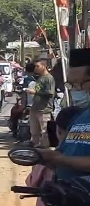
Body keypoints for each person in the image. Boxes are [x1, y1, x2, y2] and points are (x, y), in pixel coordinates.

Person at [35, 48, 90, 180]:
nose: (75, 90)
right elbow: (64, 151)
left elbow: (63, 158)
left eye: (78, 83)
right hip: (69, 195)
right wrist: (44, 156)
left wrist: (60, 160)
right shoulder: (80, 116)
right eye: (70, 84)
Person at [26, 57, 55, 148]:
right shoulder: (40, 78)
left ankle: (45, 150)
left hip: (44, 109)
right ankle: (35, 146)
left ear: (44, 66)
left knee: (44, 131)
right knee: (34, 131)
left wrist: (35, 92)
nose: (35, 68)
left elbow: (50, 93)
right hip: (35, 107)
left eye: (38, 66)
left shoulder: (49, 78)